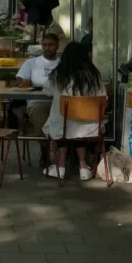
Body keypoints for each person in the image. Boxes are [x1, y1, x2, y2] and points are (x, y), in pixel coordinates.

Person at [41, 41, 107, 180]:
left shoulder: (58, 75)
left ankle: (60, 166)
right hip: (90, 127)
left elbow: (46, 90)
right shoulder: (94, 76)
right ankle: (83, 167)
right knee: (77, 127)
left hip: (63, 126)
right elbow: (104, 98)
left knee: (66, 125)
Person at [13, 33, 62, 164]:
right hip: (37, 102)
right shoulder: (31, 62)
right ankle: (44, 149)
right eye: (45, 45)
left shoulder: (63, 64)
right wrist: (24, 82)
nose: (47, 48)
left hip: (59, 103)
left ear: (58, 46)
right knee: (41, 114)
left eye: (51, 45)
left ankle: (66, 151)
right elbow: (19, 81)